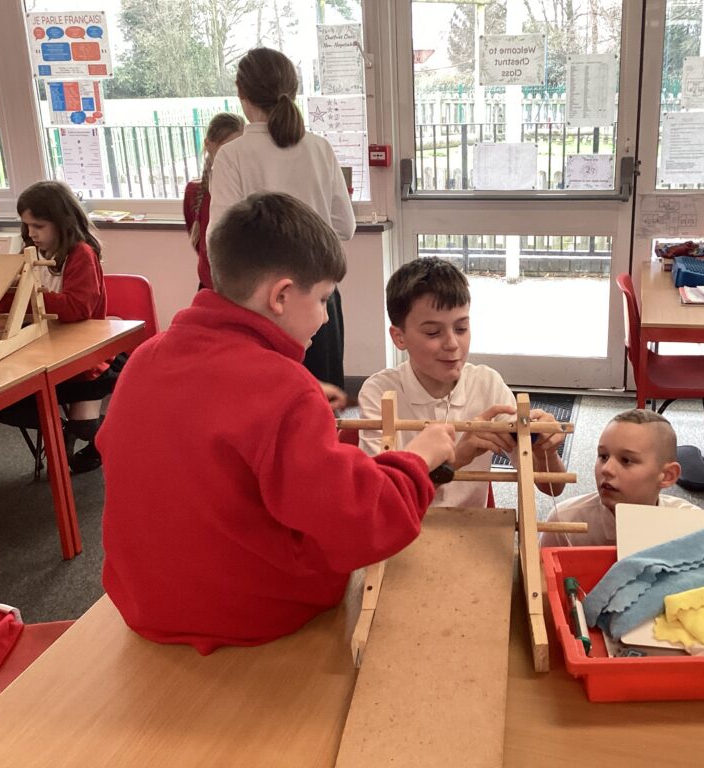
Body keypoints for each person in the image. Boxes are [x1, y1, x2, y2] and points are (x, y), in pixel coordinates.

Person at [97, 192, 456, 655]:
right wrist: (419, 457)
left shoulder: (146, 358)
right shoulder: (283, 387)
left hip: (144, 603)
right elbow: (362, 521)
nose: (326, 316)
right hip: (250, 612)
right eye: (324, 299)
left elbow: (205, 452)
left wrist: (310, 421)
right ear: (282, 295)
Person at [358, 257, 566, 509]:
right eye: (433, 332)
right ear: (399, 337)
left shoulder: (487, 384)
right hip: (402, 530)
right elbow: (381, 503)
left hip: (469, 532)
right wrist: (456, 459)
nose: (452, 344)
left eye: (461, 328)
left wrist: (546, 450)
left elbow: (552, 487)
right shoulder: (379, 392)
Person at [209, 46, 354, 391]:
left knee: (266, 404)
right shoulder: (319, 148)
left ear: (241, 93)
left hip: (260, 306)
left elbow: (219, 240)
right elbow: (345, 226)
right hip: (319, 297)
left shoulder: (233, 155)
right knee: (320, 401)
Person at [0, 181, 110, 474]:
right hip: (42, 352)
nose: (31, 233)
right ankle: (60, 429)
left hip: (83, 358)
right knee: (4, 404)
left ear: (62, 223)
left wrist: (29, 295)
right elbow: (10, 306)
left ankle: (90, 434)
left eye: (39, 225)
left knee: (85, 427)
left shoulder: (80, 254)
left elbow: (77, 309)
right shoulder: (30, 252)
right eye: (27, 226)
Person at [539, 409, 700, 548]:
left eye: (626, 460)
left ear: (667, 475)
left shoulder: (692, 524)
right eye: (603, 456)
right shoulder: (564, 522)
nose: (607, 469)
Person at [183, 112, 244, 292]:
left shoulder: (246, 186)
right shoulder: (195, 192)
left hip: (243, 284)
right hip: (213, 285)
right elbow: (198, 242)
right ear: (209, 145)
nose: (233, 154)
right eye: (227, 147)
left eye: (238, 147)